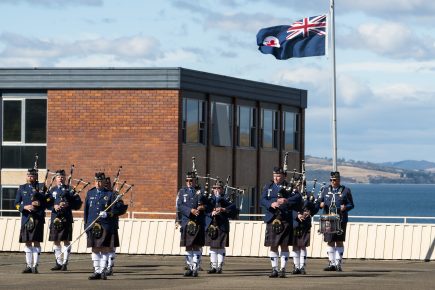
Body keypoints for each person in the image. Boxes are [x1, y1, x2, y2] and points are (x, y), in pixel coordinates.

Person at [260, 167, 302, 278]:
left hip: (285, 218)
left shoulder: (290, 187)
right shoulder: (268, 186)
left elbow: (298, 198)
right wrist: (271, 204)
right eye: (274, 176)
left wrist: (287, 200)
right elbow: (262, 199)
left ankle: (282, 269)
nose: (276, 178)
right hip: (272, 218)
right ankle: (274, 269)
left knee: (284, 245)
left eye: (278, 176)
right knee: (273, 245)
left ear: (284, 176)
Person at [84, 172, 123, 280]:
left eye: (100, 181)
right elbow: (86, 211)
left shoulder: (110, 194)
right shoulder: (90, 193)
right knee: (95, 248)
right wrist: (86, 225)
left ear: (104, 182)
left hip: (105, 225)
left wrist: (108, 214)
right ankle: (96, 271)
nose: (98, 183)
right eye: (96, 181)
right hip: (93, 224)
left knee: (105, 249)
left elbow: (117, 210)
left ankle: (102, 271)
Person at [14, 168, 51, 274]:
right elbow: (16, 203)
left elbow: (49, 201)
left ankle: (35, 265)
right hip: (26, 218)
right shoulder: (22, 188)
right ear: (26, 176)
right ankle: (29, 266)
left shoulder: (41, 187)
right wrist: (24, 207)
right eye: (29, 175)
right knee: (27, 242)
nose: (30, 177)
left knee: (36, 242)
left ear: (36, 177)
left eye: (32, 175)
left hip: (38, 218)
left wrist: (40, 204)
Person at [319, 171, 355, 272]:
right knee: (330, 241)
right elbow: (319, 202)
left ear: (339, 180)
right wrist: (320, 204)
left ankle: (338, 263)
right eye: (331, 180)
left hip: (341, 219)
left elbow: (351, 204)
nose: (333, 182)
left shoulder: (346, 190)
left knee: (339, 241)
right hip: (328, 218)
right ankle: (331, 263)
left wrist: (345, 207)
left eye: (334, 180)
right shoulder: (325, 190)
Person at [48, 169, 83, 271]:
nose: (61, 178)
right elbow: (46, 203)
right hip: (55, 218)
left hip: (66, 217)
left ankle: (65, 263)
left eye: (63, 177)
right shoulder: (52, 190)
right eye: (59, 177)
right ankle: (58, 262)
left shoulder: (70, 189)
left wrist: (69, 204)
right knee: (56, 240)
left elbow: (78, 203)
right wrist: (53, 206)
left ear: (65, 178)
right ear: (55, 178)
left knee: (66, 240)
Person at [176, 171, 209, 277]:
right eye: (187, 180)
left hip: (198, 221)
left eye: (191, 180)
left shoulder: (201, 191)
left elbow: (209, 204)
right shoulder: (182, 191)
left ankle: (195, 268)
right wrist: (190, 210)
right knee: (188, 246)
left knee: (197, 246)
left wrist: (203, 207)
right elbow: (180, 205)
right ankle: (189, 268)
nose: (189, 182)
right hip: (187, 221)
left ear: (195, 181)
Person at [205, 180, 237, 274]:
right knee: (212, 247)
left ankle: (219, 266)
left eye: (218, 188)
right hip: (211, 224)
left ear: (222, 189)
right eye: (214, 188)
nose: (216, 190)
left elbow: (234, 208)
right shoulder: (209, 199)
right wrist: (211, 213)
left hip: (222, 224)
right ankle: (213, 266)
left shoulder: (226, 198)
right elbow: (205, 210)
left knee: (221, 247)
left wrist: (223, 209)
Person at [290, 179, 319, 275]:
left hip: (306, 223)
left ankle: (302, 266)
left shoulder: (309, 195)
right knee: (295, 245)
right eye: (297, 184)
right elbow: (288, 208)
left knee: (303, 245)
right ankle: (296, 266)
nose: (299, 186)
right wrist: (297, 215)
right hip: (295, 223)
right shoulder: (291, 195)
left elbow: (316, 206)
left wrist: (310, 212)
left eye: (300, 184)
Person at [104, 176, 128, 276]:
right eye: (104, 183)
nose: (106, 185)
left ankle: (110, 266)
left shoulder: (115, 194)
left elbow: (121, 209)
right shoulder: (98, 194)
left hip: (112, 224)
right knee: (102, 247)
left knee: (111, 246)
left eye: (107, 183)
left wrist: (112, 211)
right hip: (100, 225)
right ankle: (102, 266)